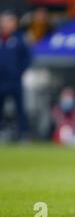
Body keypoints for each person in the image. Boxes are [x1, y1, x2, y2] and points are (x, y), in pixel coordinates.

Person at [0, 11, 32, 140]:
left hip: (15, 80)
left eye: (9, 21)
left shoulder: (20, 39)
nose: (6, 24)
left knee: (20, 108)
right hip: (0, 81)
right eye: (4, 21)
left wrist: (19, 72)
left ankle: (23, 134)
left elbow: (28, 58)